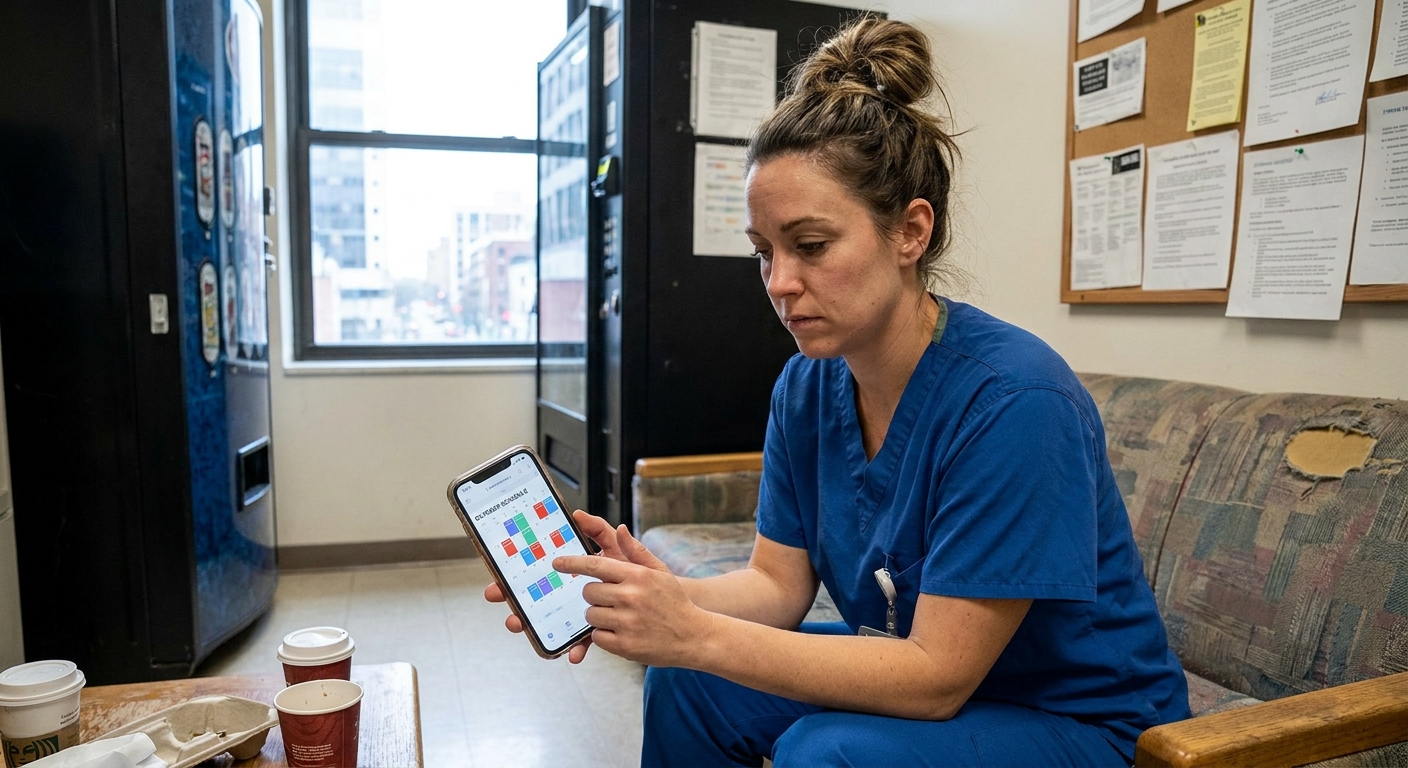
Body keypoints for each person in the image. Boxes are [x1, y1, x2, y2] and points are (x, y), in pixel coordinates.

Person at [485, 16, 1191, 767]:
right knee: (689, 685)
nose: (781, 284)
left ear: (910, 232)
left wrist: (700, 633)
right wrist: (653, 598)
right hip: (947, 682)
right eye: (765, 253)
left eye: (812, 246)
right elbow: (776, 586)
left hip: (1081, 720)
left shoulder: (1015, 402)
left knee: (827, 753)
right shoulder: (807, 387)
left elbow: (935, 679)